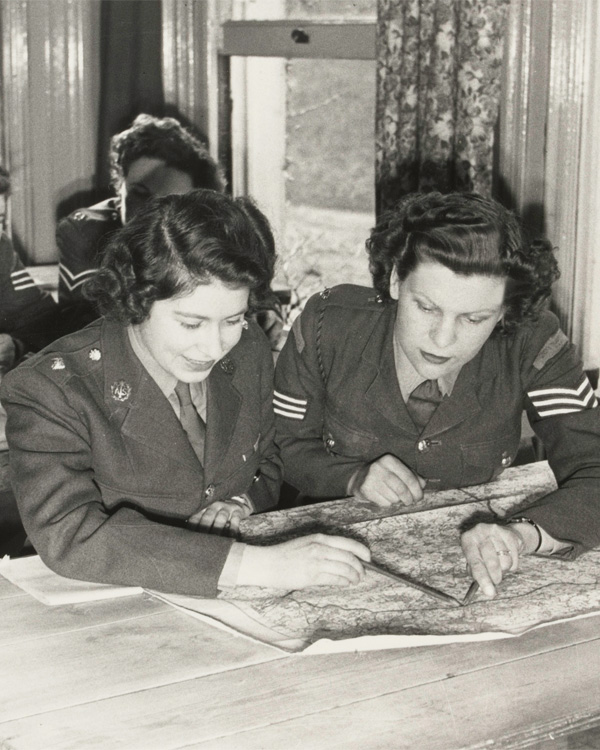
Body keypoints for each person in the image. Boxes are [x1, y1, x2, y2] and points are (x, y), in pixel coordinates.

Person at [1, 190, 369, 595]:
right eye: (191, 324)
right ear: (136, 298)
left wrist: (242, 502)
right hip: (100, 602)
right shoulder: (53, 388)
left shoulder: (247, 351)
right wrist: (256, 565)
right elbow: (68, 533)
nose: (213, 347)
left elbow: (267, 458)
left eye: (232, 319)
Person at [274, 191, 600, 599]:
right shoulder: (327, 328)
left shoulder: (533, 343)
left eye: (475, 318)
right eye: (426, 308)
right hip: (332, 564)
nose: (443, 339)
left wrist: (522, 536)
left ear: (503, 311)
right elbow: (280, 446)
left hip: (473, 570)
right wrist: (351, 476)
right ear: (395, 280)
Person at [56, 113, 284, 349]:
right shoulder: (84, 231)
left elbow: (262, 296)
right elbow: (81, 325)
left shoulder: (213, 229)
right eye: (140, 194)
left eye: (169, 202)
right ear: (119, 187)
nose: (151, 214)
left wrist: (263, 312)